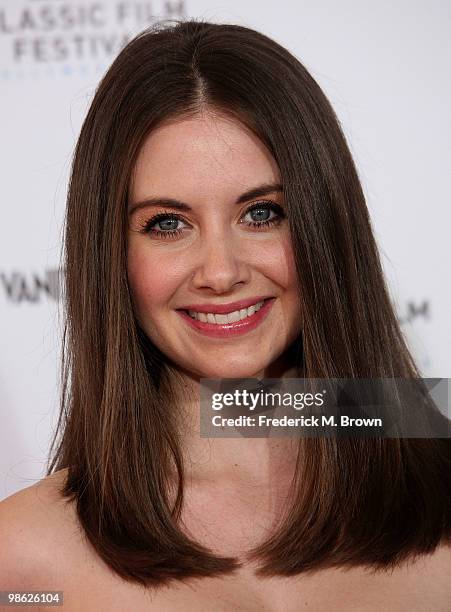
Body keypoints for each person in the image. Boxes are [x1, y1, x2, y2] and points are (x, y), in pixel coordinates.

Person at [1, 18, 450, 610]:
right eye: (168, 223)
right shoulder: (24, 562)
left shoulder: (438, 489)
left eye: (261, 213)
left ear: (325, 225)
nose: (220, 271)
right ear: (112, 257)